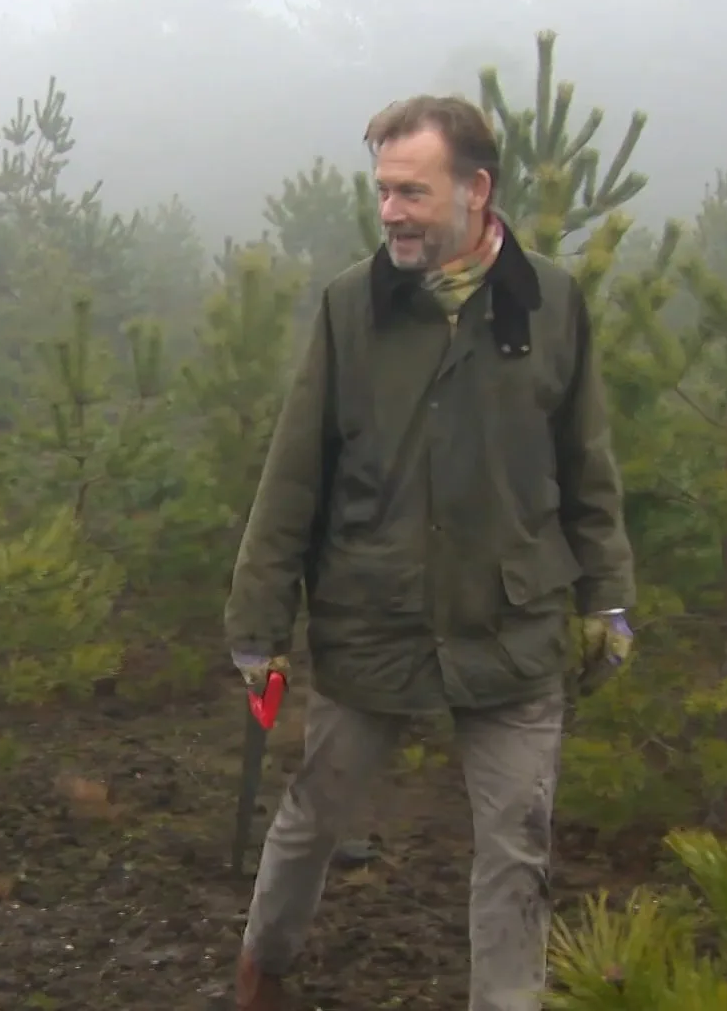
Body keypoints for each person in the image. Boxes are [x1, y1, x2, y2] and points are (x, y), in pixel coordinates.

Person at [221, 94, 638, 1011]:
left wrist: (608, 597)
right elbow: (295, 474)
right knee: (314, 813)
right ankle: (264, 967)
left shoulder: (553, 303)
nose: (391, 213)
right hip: (376, 617)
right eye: (382, 192)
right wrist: (257, 625)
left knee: (517, 843)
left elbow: (587, 464)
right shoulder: (351, 308)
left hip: (512, 621)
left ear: (477, 190)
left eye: (412, 191)